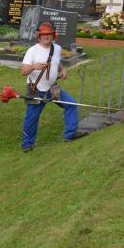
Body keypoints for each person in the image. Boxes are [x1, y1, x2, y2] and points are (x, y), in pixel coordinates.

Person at [20, 21, 78, 153]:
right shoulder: (32, 51)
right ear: (39, 36)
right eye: (43, 34)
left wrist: (63, 69)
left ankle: (70, 135)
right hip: (35, 90)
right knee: (31, 119)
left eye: (49, 34)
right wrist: (34, 66)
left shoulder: (56, 48)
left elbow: (57, 62)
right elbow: (23, 71)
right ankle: (27, 145)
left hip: (52, 88)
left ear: (54, 35)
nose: (46, 37)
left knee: (71, 104)